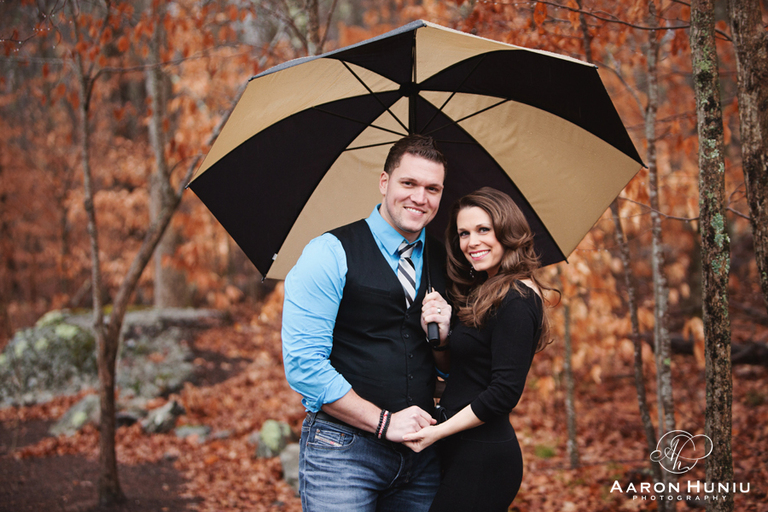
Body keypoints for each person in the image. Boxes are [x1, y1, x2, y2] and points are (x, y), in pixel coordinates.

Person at [282, 134, 451, 512]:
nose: (419, 198)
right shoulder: (329, 253)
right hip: (342, 453)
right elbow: (303, 365)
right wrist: (384, 422)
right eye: (408, 183)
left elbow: (451, 368)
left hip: (423, 458)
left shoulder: (446, 260)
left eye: (432, 188)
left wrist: (443, 343)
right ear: (384, 182)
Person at [402, 187, 555, 512]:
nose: (472, 242)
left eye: (483, 230)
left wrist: (437, 432)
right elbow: (466, 376)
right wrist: (442, 338)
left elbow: (503, 393)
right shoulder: (488, 291)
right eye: (463, 233)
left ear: (507, 231)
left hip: (484, 458)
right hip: (460, 449)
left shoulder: (518, 298)